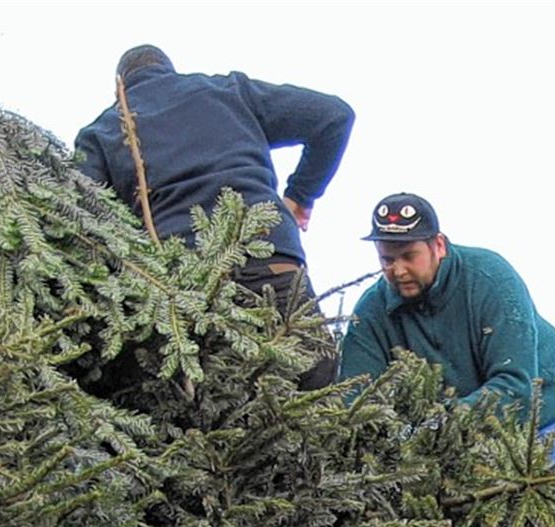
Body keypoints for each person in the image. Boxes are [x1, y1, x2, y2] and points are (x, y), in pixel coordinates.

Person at [74, 45, 354, 389]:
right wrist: (300, 196)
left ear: (120, 86)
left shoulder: (103, 131)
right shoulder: (228, 92)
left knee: (213, 414)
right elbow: (334, 116)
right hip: (270, 259)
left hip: (184, 285)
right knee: (313, 392)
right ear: (170, 70)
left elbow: (84, 221)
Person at [337, 193, 555, 466]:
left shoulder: (490, 278)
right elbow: (357, 400)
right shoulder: (372, 311)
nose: (398, 270)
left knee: (531, 498)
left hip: (545, 411)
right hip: (455, 430)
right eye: (387, 260)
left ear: (439, 245)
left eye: (409, 256)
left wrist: (436, 427)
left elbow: (516, 385)